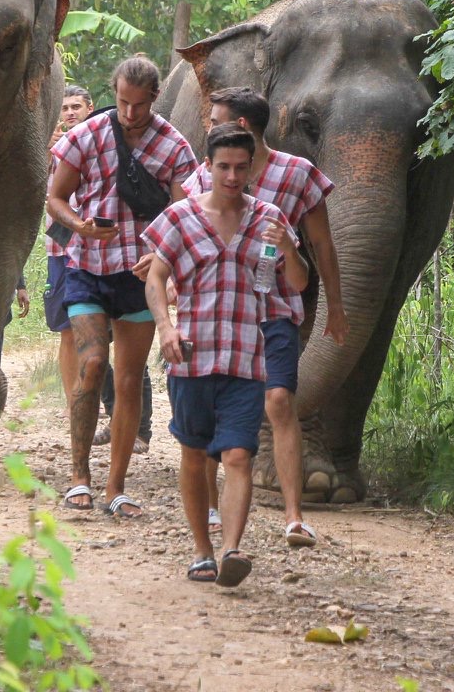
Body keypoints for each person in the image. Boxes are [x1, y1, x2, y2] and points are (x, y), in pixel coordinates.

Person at [144, 121, 309, 586]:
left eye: (241, 167)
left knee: (238, 455)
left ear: (253, 167)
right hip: (191, 354)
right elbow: (156, 278)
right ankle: (202, 550)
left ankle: (232, 549)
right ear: (209, 167)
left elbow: (296, 283)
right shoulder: (180, 217)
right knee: (195, 455)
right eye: (223, 167)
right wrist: (165, 327)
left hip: (245, 357)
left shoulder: (268, 220)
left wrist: (289, 252)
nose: (233, 177)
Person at [185, 86, 348, 548]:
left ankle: (294, 515)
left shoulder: (298, 174)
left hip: (275, 305)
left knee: (278, 401)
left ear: (240, 127)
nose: (207, 123)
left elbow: (324, 244)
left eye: (214, 117)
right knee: (217, 404)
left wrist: (335, 305)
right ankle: (214, 507)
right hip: (219, 312)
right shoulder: (203, 176)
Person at [47, 56, 194, 517]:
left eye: (140, 105)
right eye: (122, 103)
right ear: (113, 94)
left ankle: (116, 486)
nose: (130, 114)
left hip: (139, 277)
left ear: (154, 98)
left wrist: (163, 254)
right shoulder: (84, 136)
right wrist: (80, 226)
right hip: (87, 268)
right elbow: (55, 198)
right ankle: (78, 478)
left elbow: (184, 212)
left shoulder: (173, 145)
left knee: (129, 380)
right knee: (92, 365)